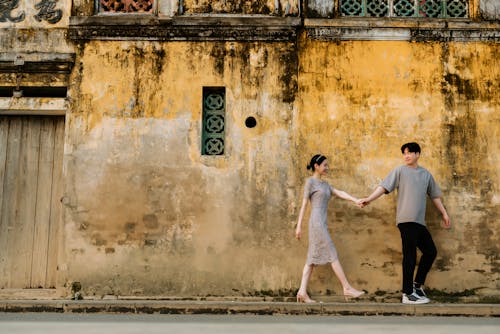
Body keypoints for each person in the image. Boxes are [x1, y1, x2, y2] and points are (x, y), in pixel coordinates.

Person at [359, 142, 451, 304]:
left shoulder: (426, 174)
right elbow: (383, 187)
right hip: (406, 220)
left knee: (430, 252)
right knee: (410, 256)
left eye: (409, 153)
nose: (406, 156)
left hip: (419, 222)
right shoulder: (400, 171)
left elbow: (434, 196)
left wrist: (444, 213)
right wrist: (369, 199)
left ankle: (416, 286)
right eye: (404, 153)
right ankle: (407, 294)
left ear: (417, 154)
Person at [295, 154, 365, 303]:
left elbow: (339, 193)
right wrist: (299, 226)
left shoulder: (325, 185)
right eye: (325, 165)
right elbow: (304, 205)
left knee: (312, 259)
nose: (327, 168)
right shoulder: (310, 182)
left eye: (327, 165)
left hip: (322, 223)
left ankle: (302, 292)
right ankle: (346, 287)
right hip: (316, 223)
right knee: (331, 252)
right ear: (316, 166)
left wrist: (355, 200)